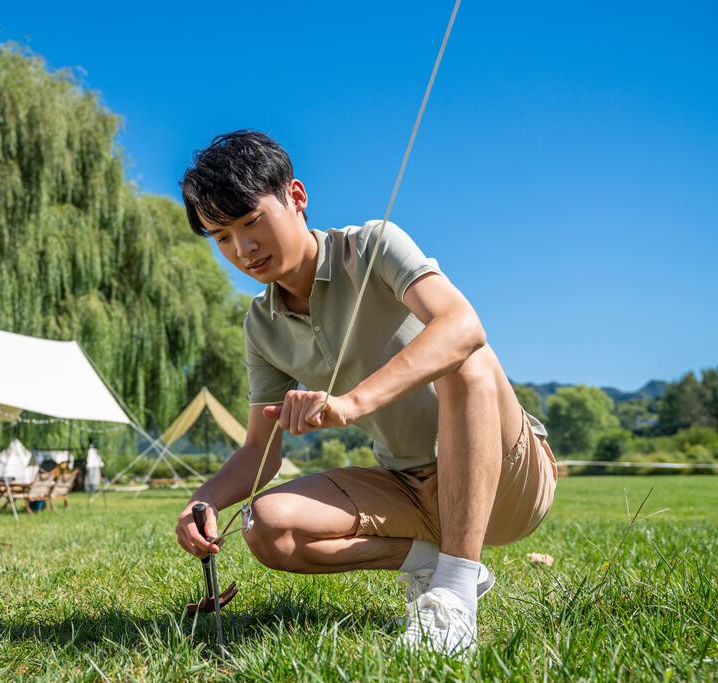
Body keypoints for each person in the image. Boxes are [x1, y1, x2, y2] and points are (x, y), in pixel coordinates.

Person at [174, 131, 557, 656]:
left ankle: (454, 599)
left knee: (465, 361)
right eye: (221, 237)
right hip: (408, 487)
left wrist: (352, 404)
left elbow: (463, 324)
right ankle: (437, 564)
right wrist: (206, 499)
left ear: (296, 196)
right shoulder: (261, 326)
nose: (243, 249)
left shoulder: (373, 244)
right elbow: (257, 453)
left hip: (509, 481)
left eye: (251, 221)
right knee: (266, 527)